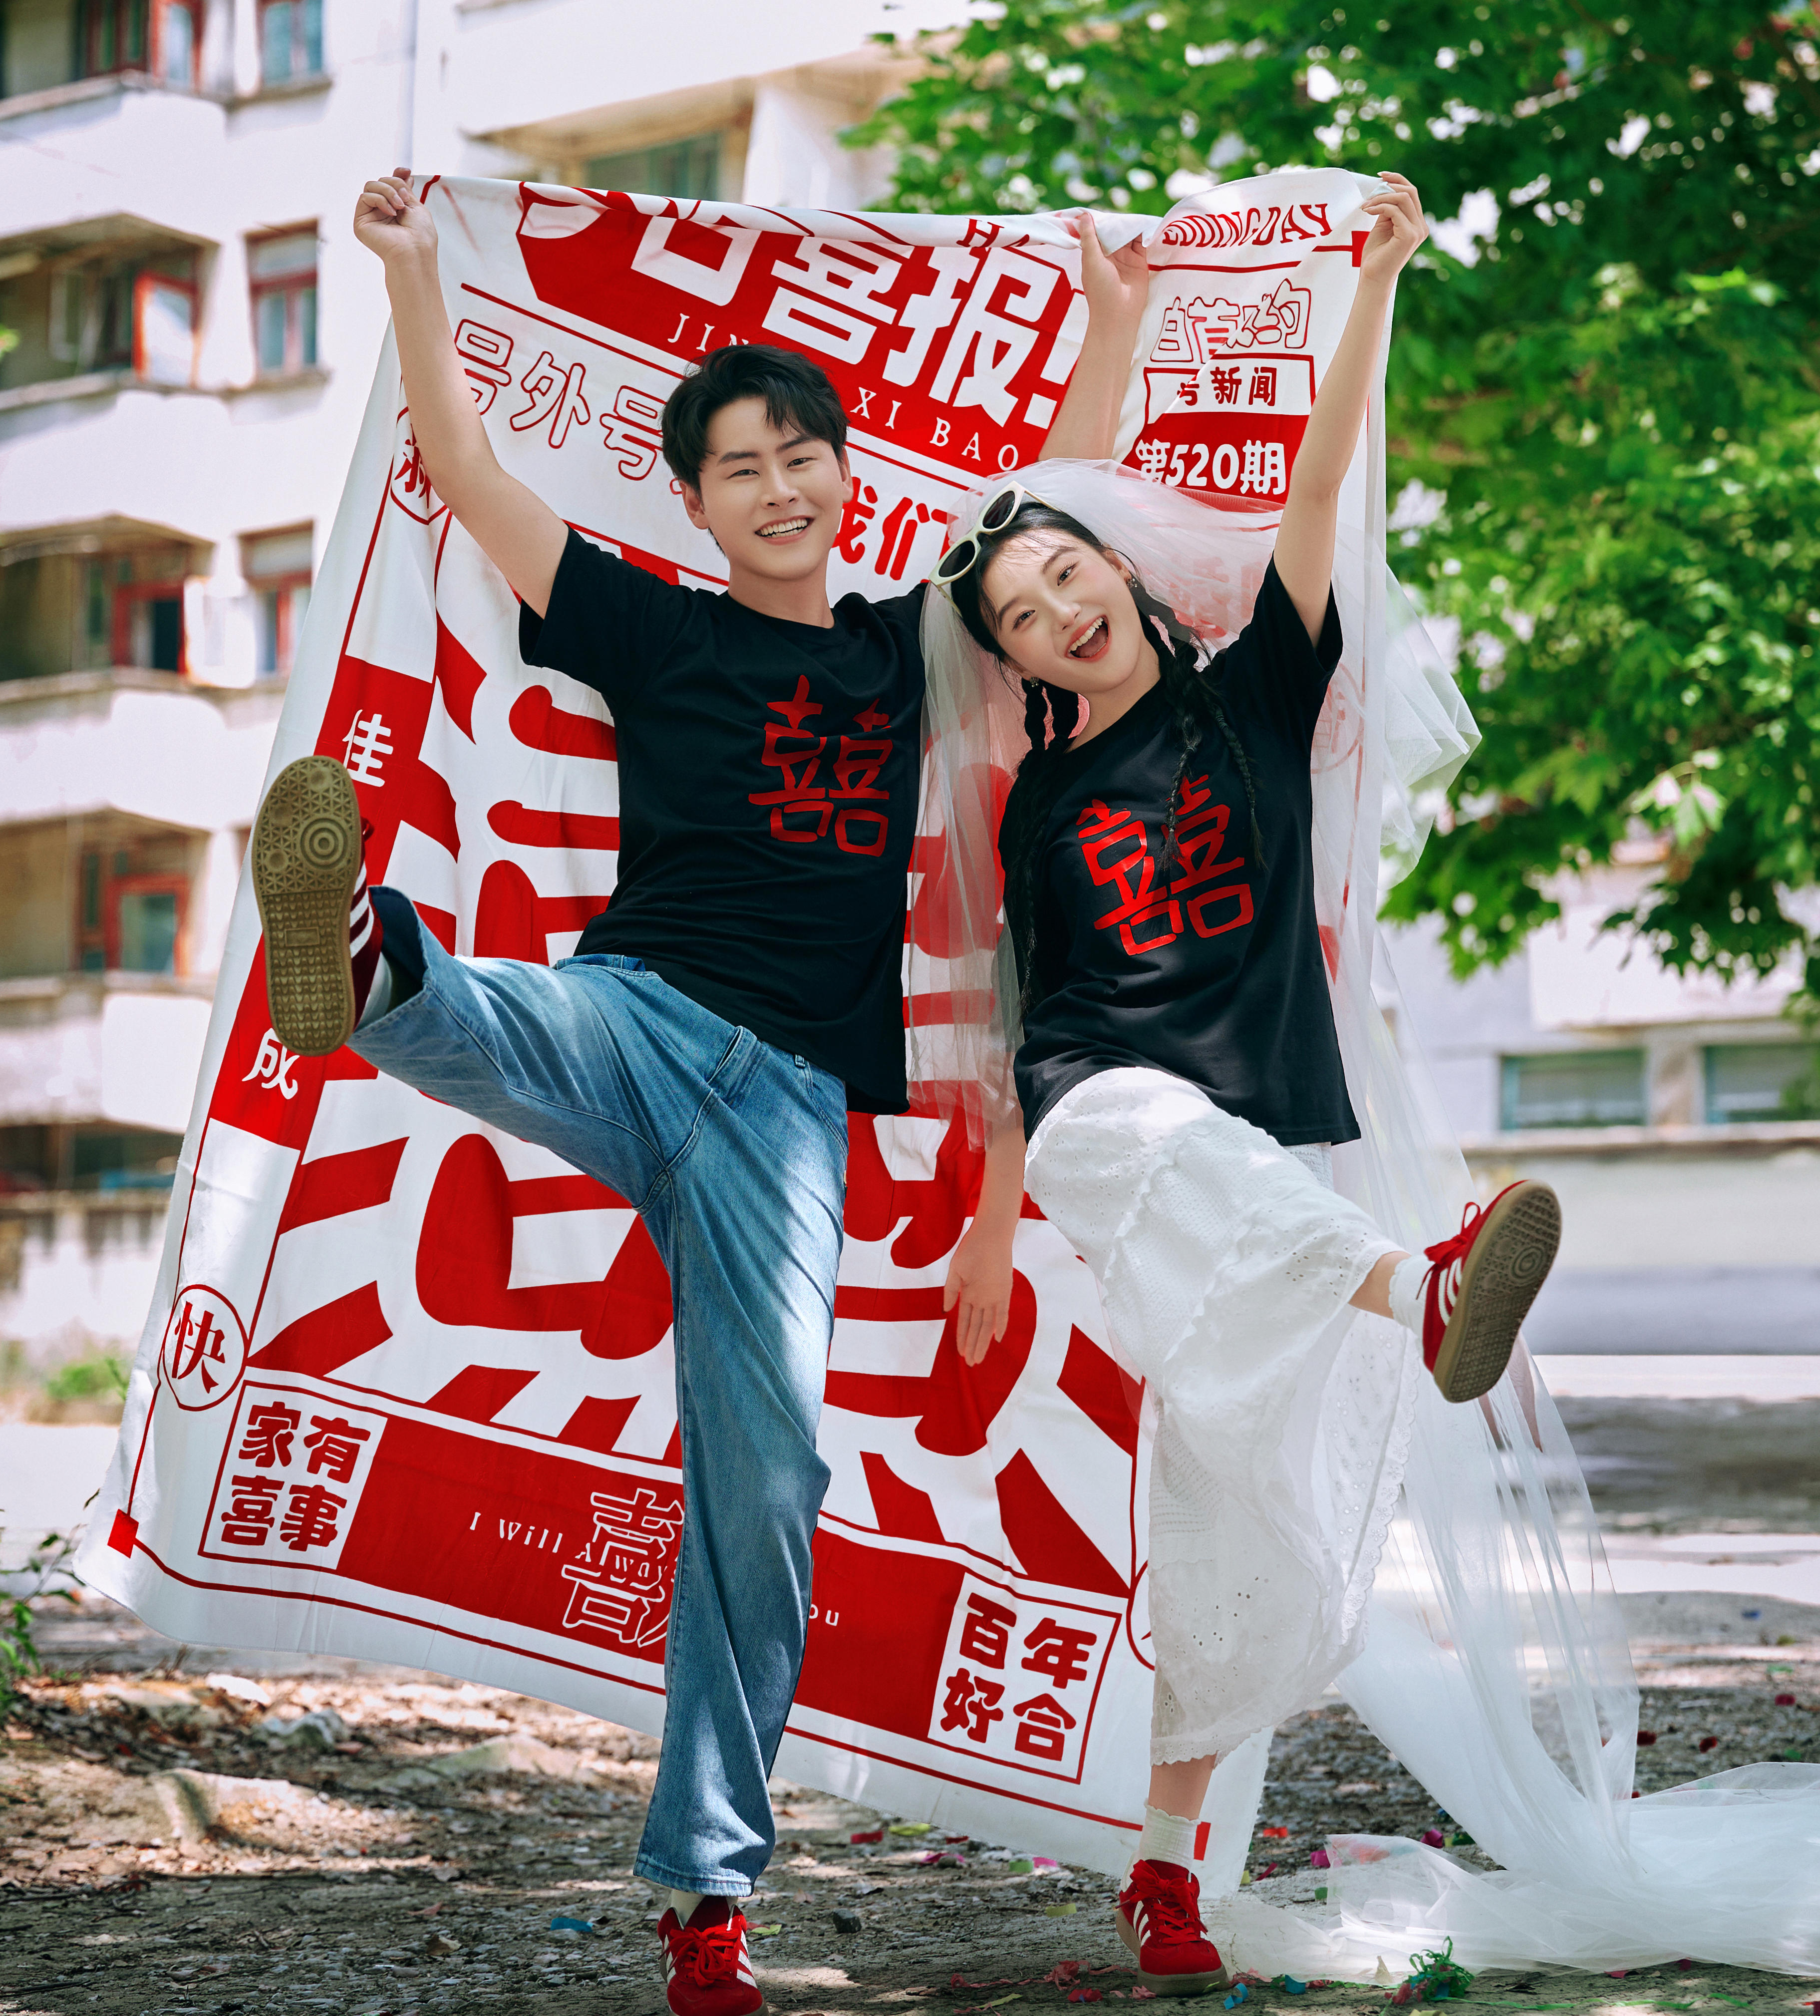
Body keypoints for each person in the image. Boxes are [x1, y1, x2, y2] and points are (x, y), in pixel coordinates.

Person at [245, 169, 1149, 2016]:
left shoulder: (905, 646)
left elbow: (1050, 507)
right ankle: (362, 945)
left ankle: (706, 1893)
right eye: (741, 467)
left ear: (843, 473)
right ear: (699, 501)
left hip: (783, 1119)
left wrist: (1117, 318)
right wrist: (414, 271)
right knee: (488, 1013)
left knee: (771, 1471)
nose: (779, 486)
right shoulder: (654, 626)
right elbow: (471, 472)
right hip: (639, 1016)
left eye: (801, 455)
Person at [920, 173, 1564, 1998]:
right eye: (1022, 614)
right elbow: (1020, 1023)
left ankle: (1163, 1871)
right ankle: (1422, 1288)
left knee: (1236, 1536)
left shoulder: (1258, 691)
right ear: (1014, 663)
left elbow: (1315, 482)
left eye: (1069, 573)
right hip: (1113, 1128)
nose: (1056, 609)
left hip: (1278, 1173)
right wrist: (990, 1226)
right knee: (1135, 1119)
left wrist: (1374, 286)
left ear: (1122, 570)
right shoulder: (1041, 799)